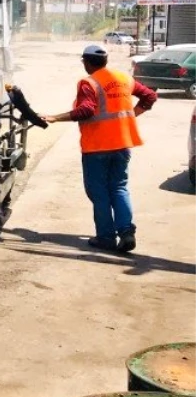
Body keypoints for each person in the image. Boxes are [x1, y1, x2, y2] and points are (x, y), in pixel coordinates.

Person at [44, 44, 156, 253]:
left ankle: (106, 237)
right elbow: (150, 97)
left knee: (99, 192)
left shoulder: (89, 83)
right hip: (122, 144)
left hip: (97, 147)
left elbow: (86, 110)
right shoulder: (124, 78)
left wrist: (55, 117)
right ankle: (126, 232)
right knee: (119, 187)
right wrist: (132, 115)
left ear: (87, 63)